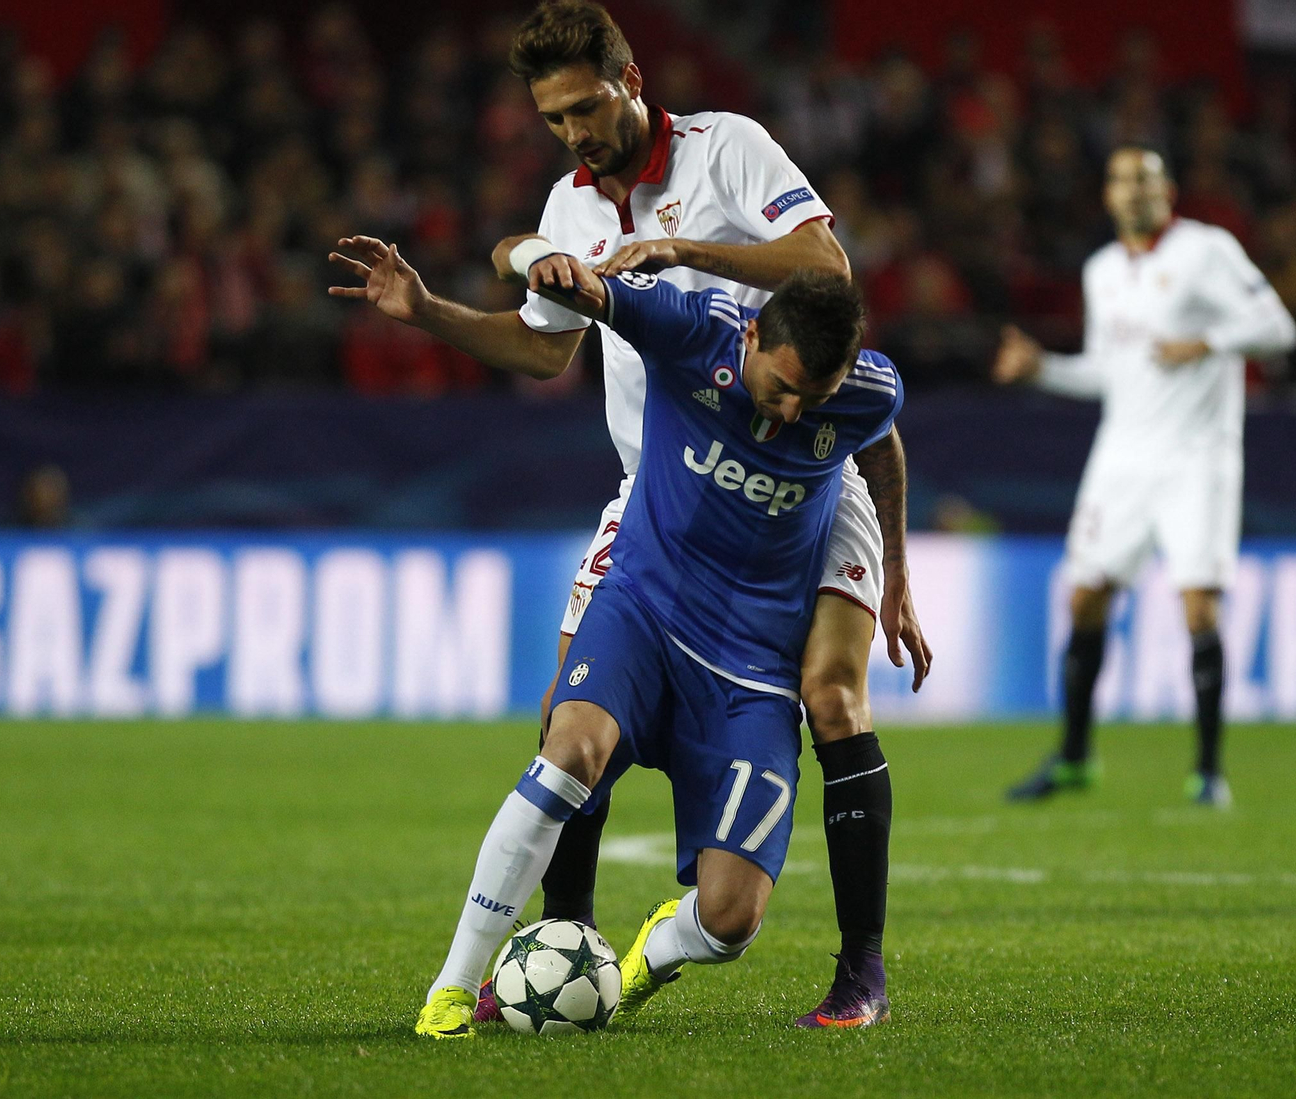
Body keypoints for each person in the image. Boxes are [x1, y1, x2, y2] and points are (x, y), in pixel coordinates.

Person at [328, 0, 929, 1027]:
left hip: (806, 474)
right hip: (662, 489)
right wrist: (427, 312)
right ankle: (566, 945)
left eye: (584, 108)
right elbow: (541, 348)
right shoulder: (569, 210)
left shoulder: (726, 151)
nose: (573, 133)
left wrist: (684, 247)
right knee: (571, 702)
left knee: (831, 696)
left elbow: (827, 273)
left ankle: (858, 969)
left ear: (632, 80)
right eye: (553, 118)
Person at [403, 251, 903, 1037]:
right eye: (780, 387)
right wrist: (536, 261)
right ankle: (455, 987)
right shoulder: (689, 330)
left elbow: (879, 443)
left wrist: (895, 573)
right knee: (568, 748)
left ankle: (646, 956)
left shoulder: (870, 394)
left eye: (817, 398)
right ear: (752, 339)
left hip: (753, 666)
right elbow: (582, 289)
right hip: (644, 607)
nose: (792, 413)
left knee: (732, 919)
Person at [992, 146, 1296, 808]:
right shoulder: (1102, 271)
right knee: (1084, 599)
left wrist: (1209, 342)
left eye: (1146, 180)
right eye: (1122, 181)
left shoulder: (1206, 250)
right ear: (1107, 196)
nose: (1134, 192)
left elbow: (1279, 327)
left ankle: (1208, 771)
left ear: (1169, 191)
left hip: (1197, 456)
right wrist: (1040, 367)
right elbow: (1111, 370)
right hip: (1121, 457)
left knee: (1197, 605)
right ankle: (1074, 757)